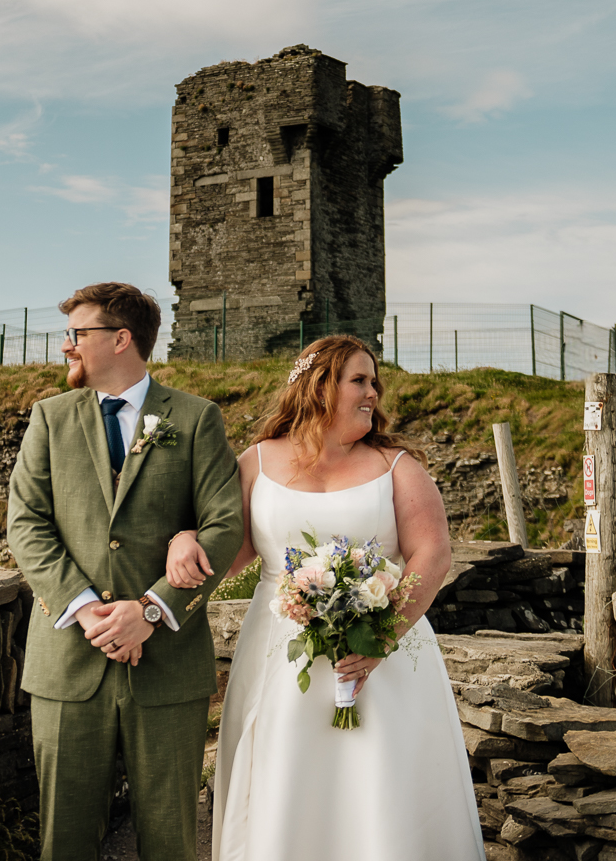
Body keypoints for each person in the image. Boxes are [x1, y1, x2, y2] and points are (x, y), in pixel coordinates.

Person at [167, 335, 485, 861]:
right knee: (287, 773)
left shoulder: (397, 465)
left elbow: (432, 556)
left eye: (374, 381)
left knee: (380, 781)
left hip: (384, 652)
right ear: (319, 387)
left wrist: (382, 637)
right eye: (359, 380)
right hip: (278, 650)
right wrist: (184, 540)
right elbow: (229, 553)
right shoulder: (256, 462)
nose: (373, 392)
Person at [6, 282, 244, 861]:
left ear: (120, 340)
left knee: (171, 841)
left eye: (77, 334)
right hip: (67, 663)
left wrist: (150, 611)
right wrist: (88, 609)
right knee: (64, 842)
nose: (67, 346)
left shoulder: (194, 418)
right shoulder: (49, 418)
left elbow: (224, 526)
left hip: (168, 667)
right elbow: (26, 523)